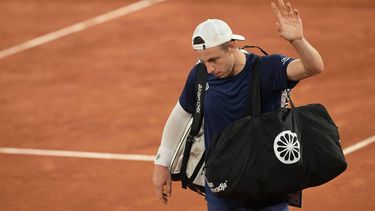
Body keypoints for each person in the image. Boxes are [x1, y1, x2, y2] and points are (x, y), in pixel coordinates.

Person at [152, 0, 324, 210]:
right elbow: (181, 114)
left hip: (266, 185)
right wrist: (162, 163)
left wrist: (298, 40)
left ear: (232, 46)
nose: (210, 68)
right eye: (203, 60)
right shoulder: (200, 74)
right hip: (222, 187)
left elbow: (313, 67)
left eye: (214, 60)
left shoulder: (267, 69)